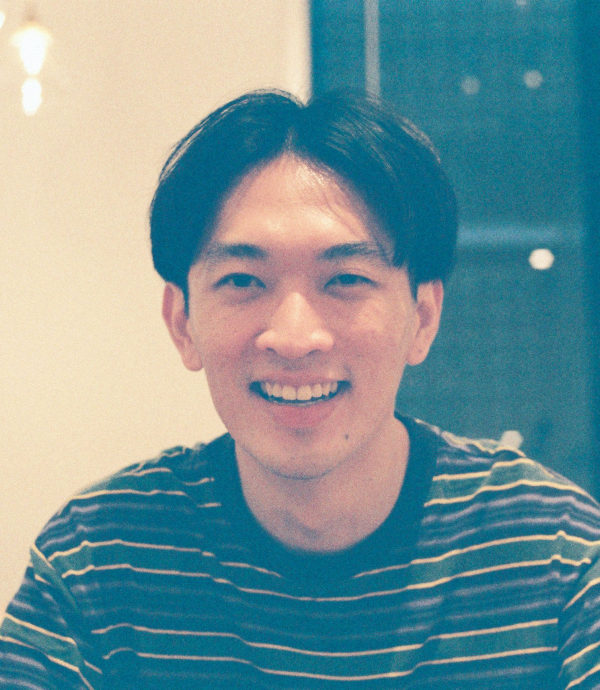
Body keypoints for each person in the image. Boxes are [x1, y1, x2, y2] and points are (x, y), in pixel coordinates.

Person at [1, 90, 599, 690]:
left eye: (345, 278)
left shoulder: (555, 555)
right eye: (243, 280)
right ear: (181, 321)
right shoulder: (101, 558)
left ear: (422, 317)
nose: (293, 337)